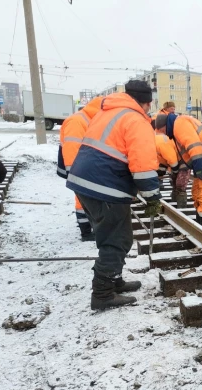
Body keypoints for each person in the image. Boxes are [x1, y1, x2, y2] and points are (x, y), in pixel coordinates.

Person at [66, 80, 162, 310]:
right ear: (147, 103)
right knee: (118, 240)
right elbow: (143, 164)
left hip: (87, 182)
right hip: (105, 185)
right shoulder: (136, 120)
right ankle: (102, 294)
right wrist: (152, 197)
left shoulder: (108, 111)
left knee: (110, 235)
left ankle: (114, 280)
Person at [155, 112, 202, 230]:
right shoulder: (176, 127)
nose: (164, 134)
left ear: (164, 126)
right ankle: (200, 226)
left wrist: (199, 168)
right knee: (196, 192)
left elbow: (194, 145)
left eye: (162, 131)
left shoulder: (179, 124)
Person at [58, 96, 104, 241]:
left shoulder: (89, 119)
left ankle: (91, 227)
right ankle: (86, 232)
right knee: (82, 199)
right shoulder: (78, 121)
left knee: (87, 198)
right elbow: (72, 148)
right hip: (79, 168)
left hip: (85, 167)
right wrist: (76, 173)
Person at [155, 132, 188, 206]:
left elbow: (172, 160)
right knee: (174, 179)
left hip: (183, 158)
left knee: (180, 182)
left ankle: (181, 204)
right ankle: (175, 198)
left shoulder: (161, 144)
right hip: (172, 158)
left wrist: (175, 172)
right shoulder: (153, 144)